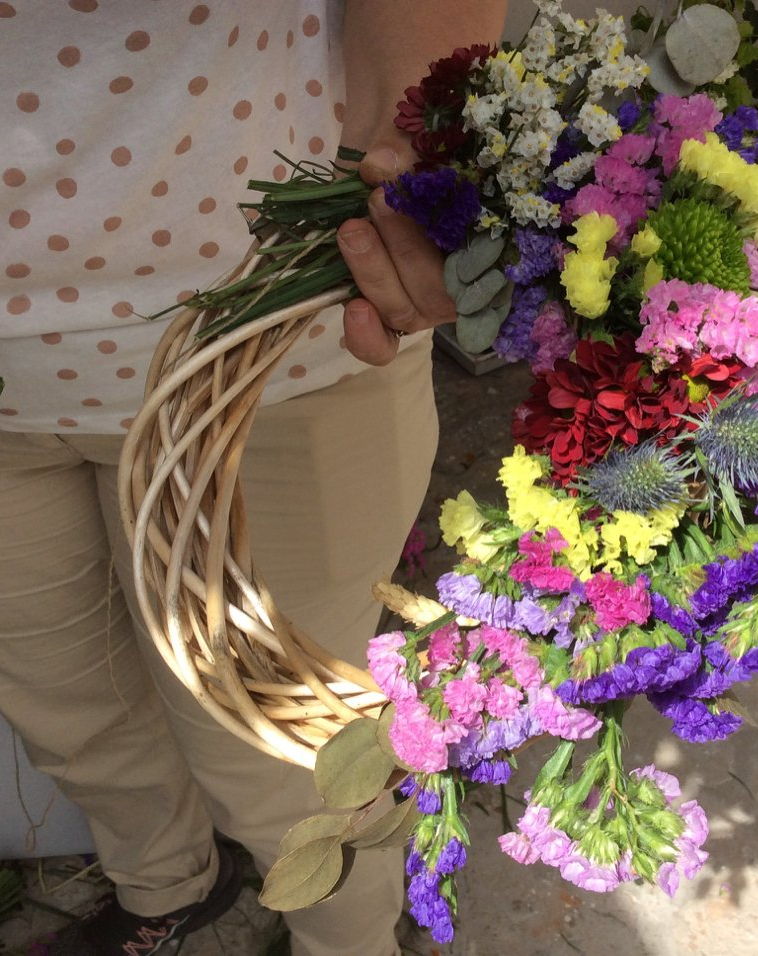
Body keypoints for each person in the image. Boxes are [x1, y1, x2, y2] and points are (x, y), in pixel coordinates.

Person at [0, 2, 507, 955]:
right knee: (73, 714)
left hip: (268, 346)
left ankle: (346, 944)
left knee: (291, 759)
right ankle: (168, 887)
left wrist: (416, 158)